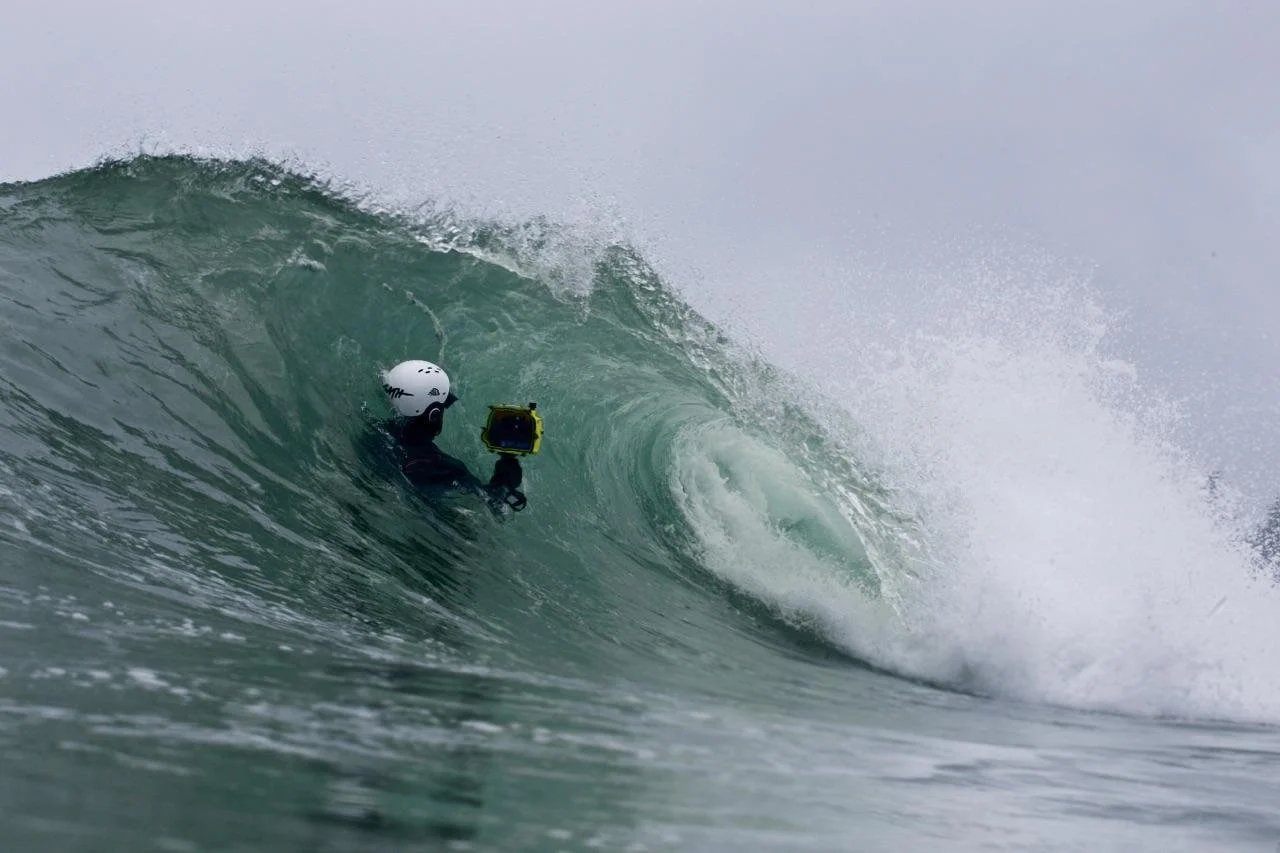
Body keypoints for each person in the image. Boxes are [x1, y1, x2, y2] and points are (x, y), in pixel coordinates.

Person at [376, 359, 525, 509]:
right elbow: (493, 504)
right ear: (433, 415)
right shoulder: (445, 468)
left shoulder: (378, 434)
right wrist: (507, 474)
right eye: (442, 408)